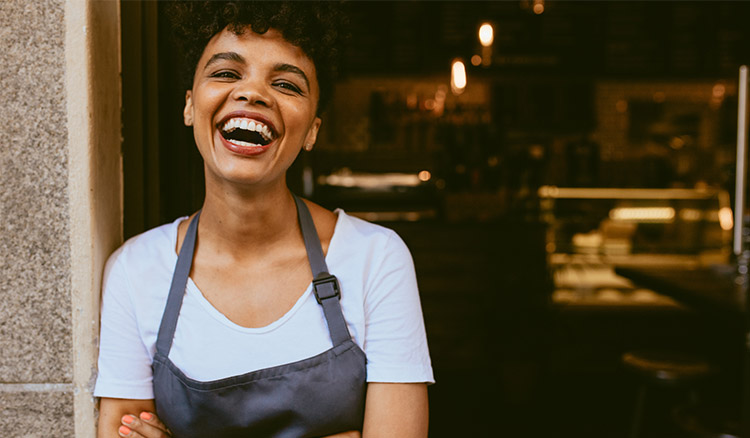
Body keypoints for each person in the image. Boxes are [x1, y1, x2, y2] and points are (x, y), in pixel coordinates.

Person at [94, 2, 433, 437]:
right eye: (226, 73)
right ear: (189, 106)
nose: (252, 93)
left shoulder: (376, 258)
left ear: (311, 129)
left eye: (287, 84)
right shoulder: (134, 271)